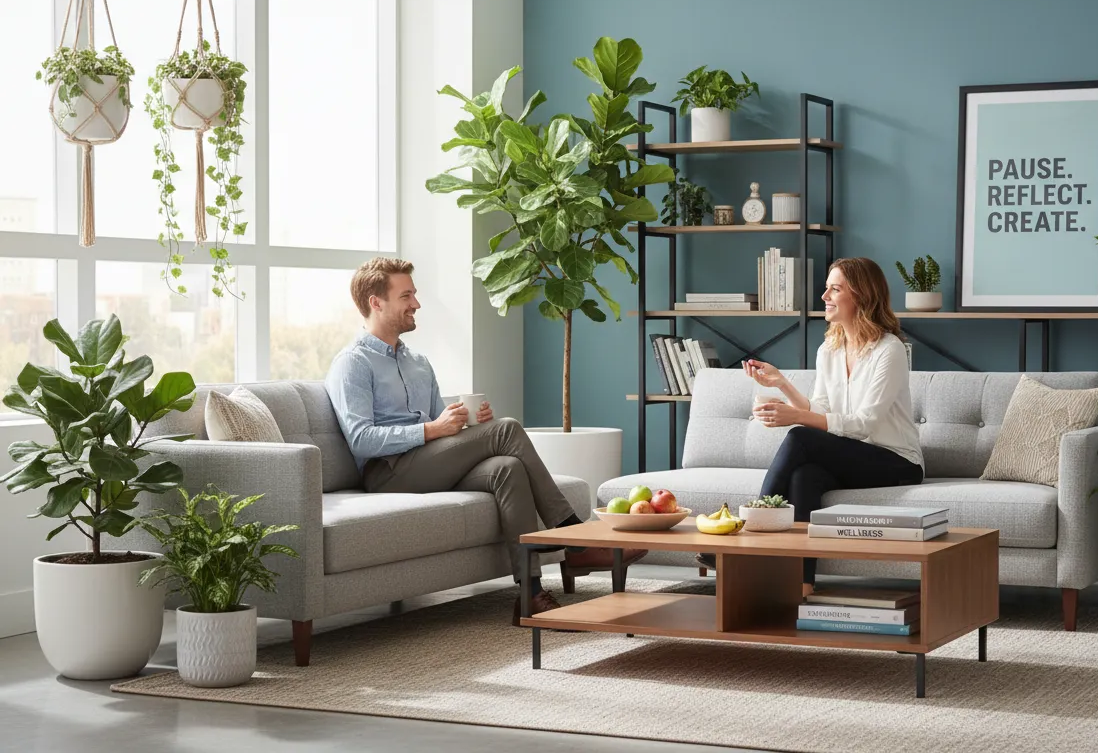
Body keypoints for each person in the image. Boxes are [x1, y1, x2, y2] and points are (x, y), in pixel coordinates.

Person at [325, 257, 645, 624]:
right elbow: (362, 440)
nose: (416, 303)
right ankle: (575, 539)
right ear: (376, 302)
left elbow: (440, 426)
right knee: (507, 429)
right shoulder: (353, 363)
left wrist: (468, 425)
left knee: (507, 468)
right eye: (406, 296)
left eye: (414, 294)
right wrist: (434, 431)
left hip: (428, 462)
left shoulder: (419, 362)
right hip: (387, 473)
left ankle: (530, 594)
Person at [696, 257, 924, 591]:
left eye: (835, 289)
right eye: (827, 288)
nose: (824, 296)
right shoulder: (829, 349)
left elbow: (864, 424)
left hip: (897, 461)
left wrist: (796, 417)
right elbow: (822, 410)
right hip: (853, 454)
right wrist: (782, 384)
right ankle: (801, 586)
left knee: (800, 436)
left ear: (861, 295)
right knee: (805, 476)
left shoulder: (889, 350)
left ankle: (744, 536)